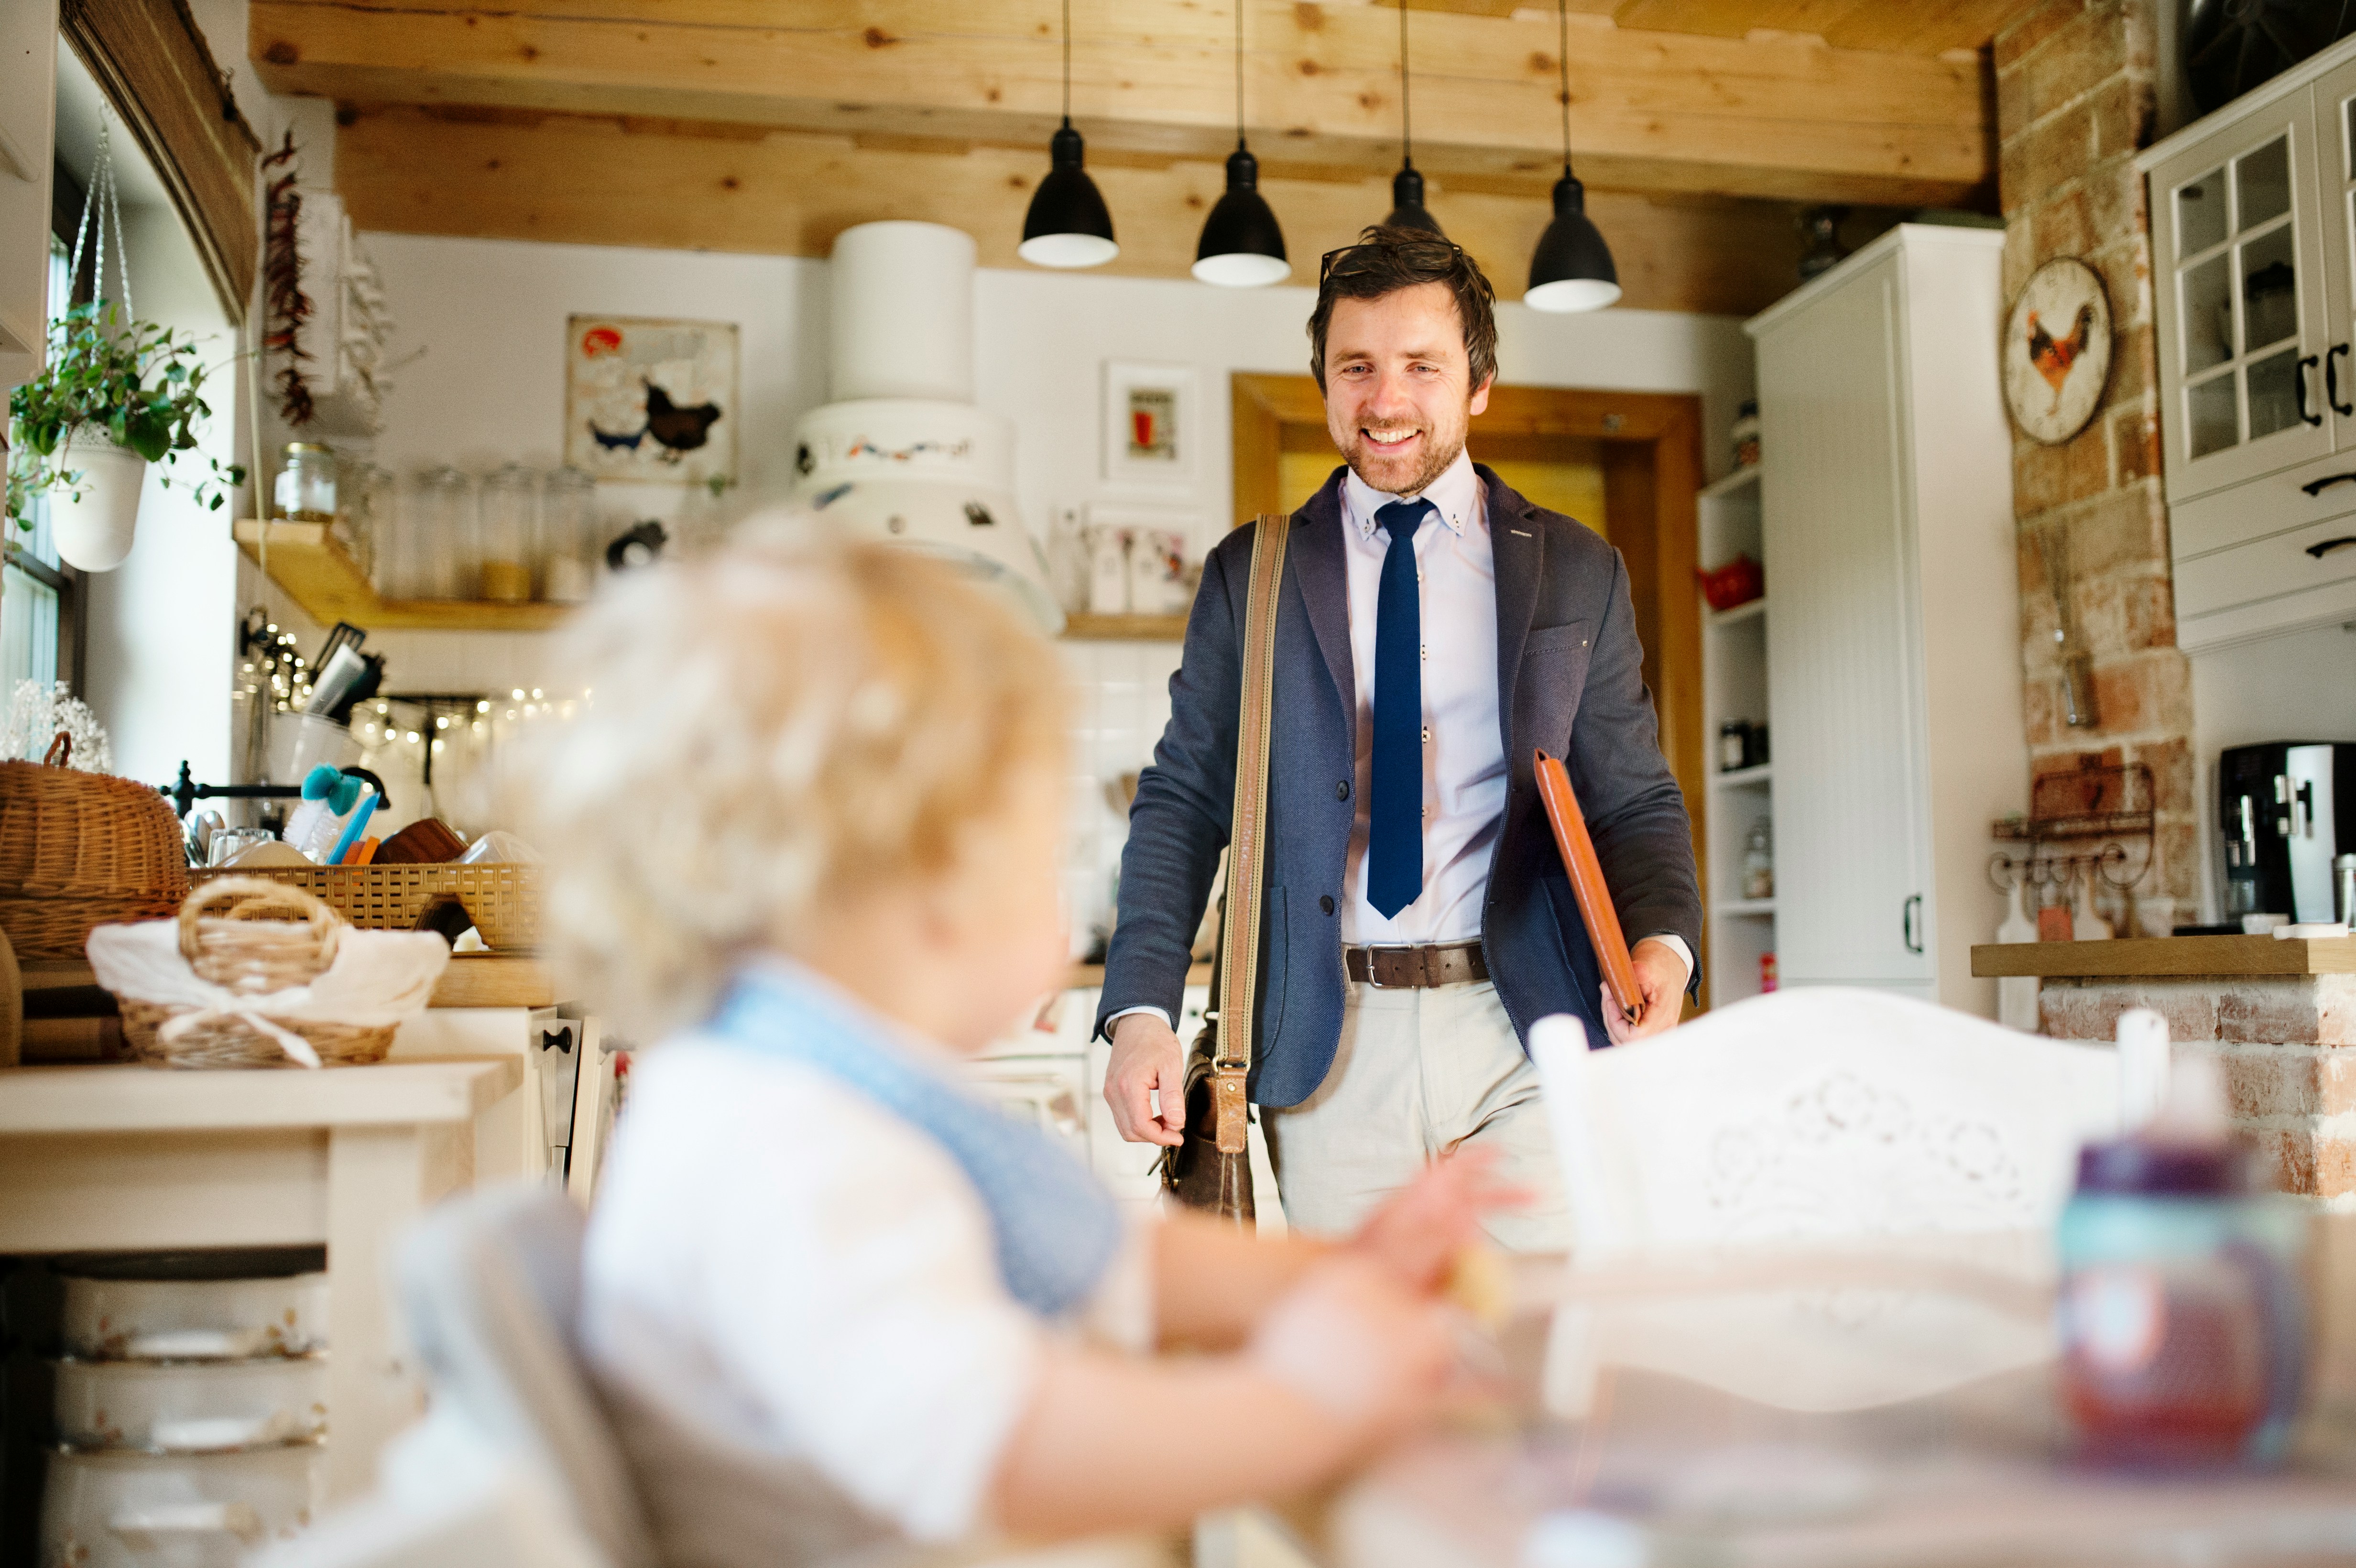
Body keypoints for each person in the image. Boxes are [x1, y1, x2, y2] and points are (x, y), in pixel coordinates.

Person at [531, 523, 1502, 1568]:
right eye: (1047, 845)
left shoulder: (807, 1083)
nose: (1068, 878)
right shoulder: (790, 1154)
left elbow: (1113, 1255)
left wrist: (1333, 1270)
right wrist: (1308, 1398)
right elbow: (1013, 1451)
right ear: (937, 880)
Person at [1098, 227, 1703, 1251]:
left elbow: (1634, 798)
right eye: (1357, 367)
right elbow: (1182, 802)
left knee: (1537, 1361)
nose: (1386, 400)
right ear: (1324, 382)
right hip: (1330, 1046)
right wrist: (1140, 1013)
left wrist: (1663, 946)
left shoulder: (1575, 568)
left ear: (1477, 383)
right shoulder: (1252, 575)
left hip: (1531, 1027)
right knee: (1375, 1373)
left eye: (1421, 366)